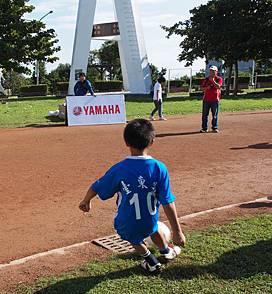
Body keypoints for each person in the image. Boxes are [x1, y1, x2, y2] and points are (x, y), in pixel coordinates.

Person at [79, 119, 186, 274]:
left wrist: (86, 200)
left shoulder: (120, 169)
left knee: (133, 238)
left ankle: (151, 261)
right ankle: (166, 251)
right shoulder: (159, 168)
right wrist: (177, 232)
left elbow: (97, 185)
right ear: (152, 141)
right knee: (153, 228)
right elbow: (168, 201)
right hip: (150, 219)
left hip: (126, 222)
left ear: (126, 142)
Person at [200, 65, 223, 133]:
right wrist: (207, 88)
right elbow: (201, 88)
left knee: (214, 115)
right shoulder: (206, 79)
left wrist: (213, 81)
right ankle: (204, 128)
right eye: (210, 71)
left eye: (213, 71)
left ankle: (214, 128)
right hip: (206, 100)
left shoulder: (219, 79)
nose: (211, 72)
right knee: (204, 115)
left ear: (216, 72)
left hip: (215, 100)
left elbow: (218, 87)